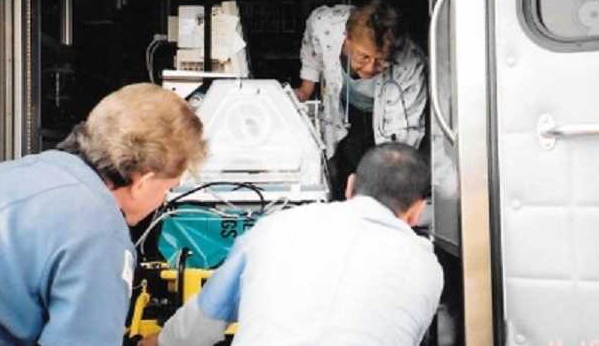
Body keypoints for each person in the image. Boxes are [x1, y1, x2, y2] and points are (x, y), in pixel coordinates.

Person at [0, 83, 206, 345]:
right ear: (144, 180)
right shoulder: (99, 228)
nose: (163, 200)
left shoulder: (26, 172)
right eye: (168, 188)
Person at [144, 142, 443, 346]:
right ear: (417, 211)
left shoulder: (277, 227)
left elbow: (202, 322)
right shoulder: (427, 269)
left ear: (350, 185)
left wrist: (159, 340)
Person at [294, 0, 427, 200]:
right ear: (347, 39)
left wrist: (378, 184)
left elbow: (401, 142)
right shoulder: (324, 24)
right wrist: (306, 88)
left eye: (382, 60)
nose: (370, 68)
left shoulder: (409, 64)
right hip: (345, 105)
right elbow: (312, 49)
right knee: (336, 165)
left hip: (383, 113)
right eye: (363, 57)